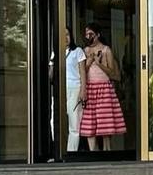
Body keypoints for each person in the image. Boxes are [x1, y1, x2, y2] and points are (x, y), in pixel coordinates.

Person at [79, 22, 126, 151]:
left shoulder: (106, 50)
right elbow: (82, 71)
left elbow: (112, 72)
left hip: (104, 88)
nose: (88, 36)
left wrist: (99, 63)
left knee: (105, 123)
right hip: (89, 88)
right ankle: (92, 153)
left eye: (91, 34)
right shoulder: (85, 51)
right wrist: (89, 61)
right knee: (90, 123)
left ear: (98, 35)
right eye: (86, 34)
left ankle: (107, 152)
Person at [48, 28, 87, 155]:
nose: (65, 37)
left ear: (71, 36)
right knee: (54, 121)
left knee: (74, 122)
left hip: (74, 88)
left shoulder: (78, 51)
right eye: (62, 35)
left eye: (67, 35)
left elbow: (82, 72)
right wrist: (52, 62)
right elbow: (50, 76)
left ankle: (71, 153)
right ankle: (58, 151)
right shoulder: (55, 52)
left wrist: (83, 90)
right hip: (59, 89)